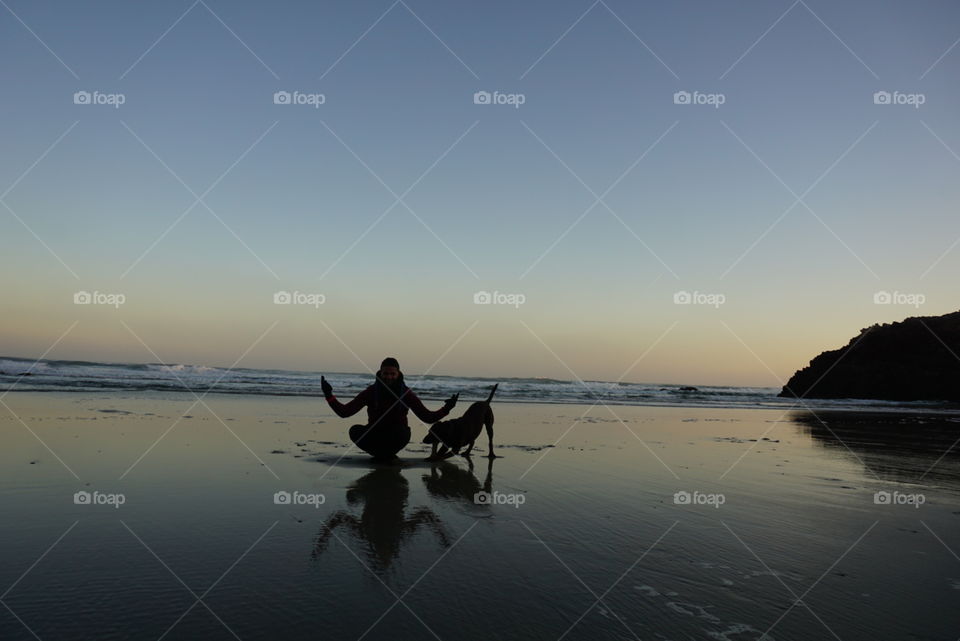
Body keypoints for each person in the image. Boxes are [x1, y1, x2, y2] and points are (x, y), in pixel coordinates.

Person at [321, 357, 458, 460]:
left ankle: (385, 456)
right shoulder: (371, 392)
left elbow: (427, 417)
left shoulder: (406, 393)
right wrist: (329, 395)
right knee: (355, 431)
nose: (389, 377)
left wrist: (447, 408)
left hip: (398, 436)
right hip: (376, 435)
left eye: (392, 374)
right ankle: (382, 456)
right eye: (386, 373)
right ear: (380, 373)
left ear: (398, 374)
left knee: (399, 432)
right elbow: (345, 412)